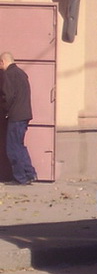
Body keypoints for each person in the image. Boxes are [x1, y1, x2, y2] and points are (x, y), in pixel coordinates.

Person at [0, 52, 37, 185]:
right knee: (20, 146)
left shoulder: (9, 75)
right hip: (24, 115)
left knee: (12, 148)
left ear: (3, 62)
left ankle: (20, 178)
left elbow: (7, 96)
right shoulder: (21, 73)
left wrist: (4, 110)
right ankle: (29, 173)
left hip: (15, 116)